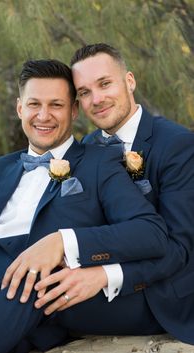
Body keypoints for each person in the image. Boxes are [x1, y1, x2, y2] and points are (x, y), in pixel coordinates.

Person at [0, 59, 168, 353]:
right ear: (20, 109)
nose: (43, 116)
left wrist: (64, 241)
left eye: (56, 105)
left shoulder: (100, 164)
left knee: (34, 289)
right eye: (34, 104)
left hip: (28, 288)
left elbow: (150, 231)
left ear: (73, 110)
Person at [33, 43, 194, 346]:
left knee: (42, 304)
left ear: (129, 81)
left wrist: (103, 276)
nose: (97, 99)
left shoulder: (178, 146)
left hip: (160, 292)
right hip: (97, 271)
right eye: (84, 91)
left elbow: (179, 249)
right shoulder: (86, 148)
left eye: (105, 84)